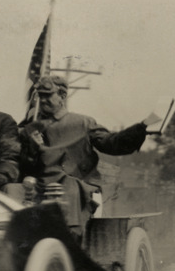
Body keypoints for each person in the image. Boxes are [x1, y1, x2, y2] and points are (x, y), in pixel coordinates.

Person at [20, 75, 149, 237]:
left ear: (62, 96)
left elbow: (111, 143)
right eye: (41, 95)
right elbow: (25, 167)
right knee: (12, 191)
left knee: (68, 187)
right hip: (39, 188)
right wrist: (32, 147)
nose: (43, 100)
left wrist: (140, 129)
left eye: (48, 95)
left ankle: (70, 239)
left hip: (78, 186)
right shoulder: (30, 129)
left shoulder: (82, 123)